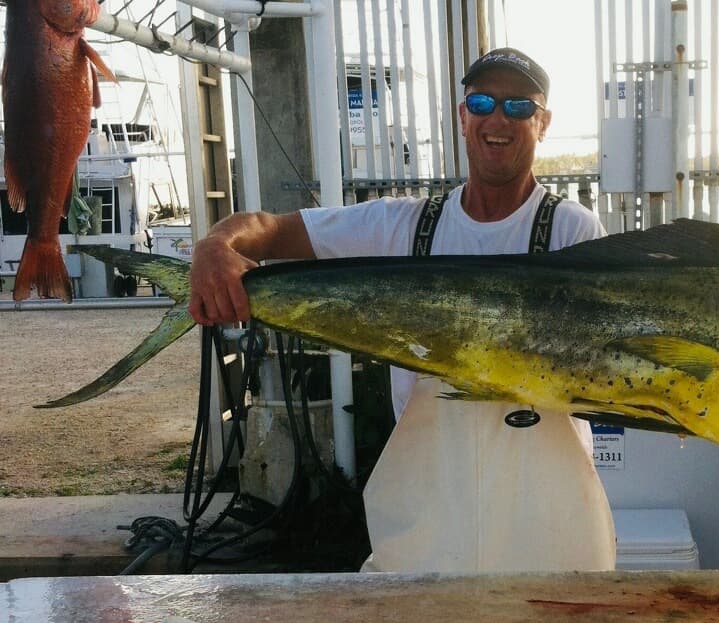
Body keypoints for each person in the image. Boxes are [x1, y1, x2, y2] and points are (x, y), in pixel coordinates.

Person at [187, 48, 617, 573]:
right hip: (429, 513)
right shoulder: (403, 226)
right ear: (463, 117)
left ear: (543, 122)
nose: (498, 119)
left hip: (547, 518)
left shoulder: (575, 233)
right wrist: (215, 245)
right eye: (482, 102)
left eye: (519, 107)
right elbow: (272, 230)